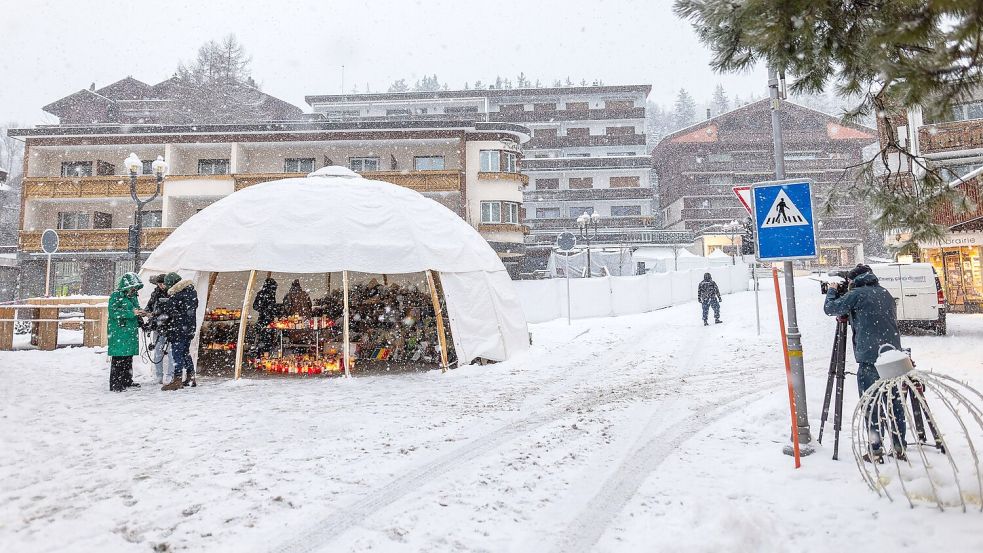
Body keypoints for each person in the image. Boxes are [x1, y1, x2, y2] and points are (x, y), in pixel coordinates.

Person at [824, 264, 906, 462]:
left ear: (854, 280)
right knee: (894, 403)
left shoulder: (857, 295)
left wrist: (833, 291)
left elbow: (830, 308)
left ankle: (875, 449)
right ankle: (899, 447)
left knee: (872, 404)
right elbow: (871, 317)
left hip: (870, 359)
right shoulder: (884, 293)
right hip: (893, 356)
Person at [160, 272, 199, 391]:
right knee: (185, 352)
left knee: (177, 353)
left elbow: (171, 311)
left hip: (179, 329)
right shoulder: (191, 292)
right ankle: (191, 376)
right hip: (189, 328)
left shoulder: (178, 295)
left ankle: (177, 380)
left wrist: (167, 304)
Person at [107, 272, 144, 392]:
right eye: (132, 287)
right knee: (118, 358)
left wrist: (141, 315)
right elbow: (113, 313)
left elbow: (136, 309)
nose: (133, 290)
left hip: (130, 331)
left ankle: (127, 380)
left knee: (128, 357)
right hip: (119, 331)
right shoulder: (116, 296)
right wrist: (131, 313)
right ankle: (116, 383)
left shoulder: (132, 296)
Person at [144, 274, 174, 384]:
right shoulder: (155, 293)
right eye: (159, 284)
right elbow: (150, 306)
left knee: (171, 352)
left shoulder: (173, 292)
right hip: (158, 326)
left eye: (163, 283)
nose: (161, 286)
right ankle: (159, 375)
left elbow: (173, 310)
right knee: (158, 351)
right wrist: (147, 312)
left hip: (170, 326)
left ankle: (170, 375)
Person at [252, 276, 280, 355]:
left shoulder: (270, 294)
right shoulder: (262, 294)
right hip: (263, 319)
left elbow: (272, 306)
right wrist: (265, 310)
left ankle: (266, 355)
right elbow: (255, 306)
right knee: (264, 339)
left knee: (269, 338)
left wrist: (273, 311)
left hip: (268, 319)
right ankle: (262, 355)